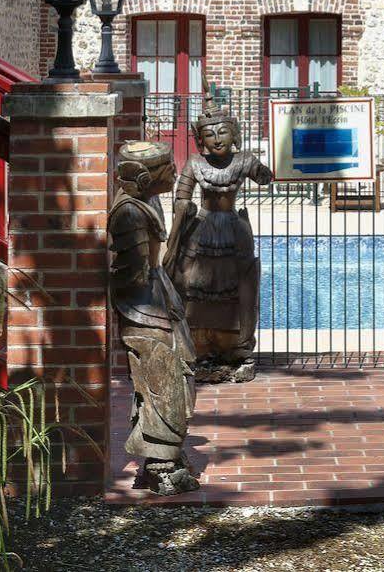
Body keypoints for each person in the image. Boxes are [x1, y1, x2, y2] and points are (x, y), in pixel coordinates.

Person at [108, 140, 198, 494]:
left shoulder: (148, 201)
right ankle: (160, 462)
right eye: (167, 169)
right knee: (162, 382)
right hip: (146, 311)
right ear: (144, 177)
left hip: (159, 300)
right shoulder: (130, 213)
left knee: (178, 376)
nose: (175, 172)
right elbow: (133, 275)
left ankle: (167, 453)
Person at [164, 102, 273, 383]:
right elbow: (182, 198)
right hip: (201, 228)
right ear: (201, 140)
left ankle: (235, 346)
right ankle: (200, 345)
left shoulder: (244, 160)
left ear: (234, 134)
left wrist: (266, 172)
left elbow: (263, 176)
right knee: (194, 287)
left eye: (223, 132)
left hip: (233, 230)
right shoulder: (195, 163)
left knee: (238, 288)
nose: (217, 139)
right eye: (210, 134)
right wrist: (176, 234)